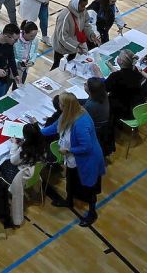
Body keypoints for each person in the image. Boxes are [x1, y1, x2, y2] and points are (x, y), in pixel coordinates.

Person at [39, 93, 105, 227]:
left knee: (89, 187)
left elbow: (86, 146)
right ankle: (68, 200)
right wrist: (36, 132)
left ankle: (92, 213)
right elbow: (54, 128)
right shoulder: (67, 114)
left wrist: (69, 150)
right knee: (71, 179)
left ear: (66, 106)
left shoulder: (81, 122)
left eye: (61, 104)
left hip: (87, 160)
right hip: (72, 159)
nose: (59, 106)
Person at [5, 122, 48, 226]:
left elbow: (13, 161)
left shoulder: (25, 150)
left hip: (21, 175)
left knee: (2, 165)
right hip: (34, 173)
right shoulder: (42, 144)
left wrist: (15, 144)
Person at [50, 0, 99, 69]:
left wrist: (92, 35)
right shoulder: (64, 16)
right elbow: (62, 38)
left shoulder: (83, 12)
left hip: (75, 46)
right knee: (57, 67)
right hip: (62, 48)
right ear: (76, 3)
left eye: (85, 6)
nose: (84, 8)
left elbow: (86, 25)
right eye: (82, 6)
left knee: (69, 66)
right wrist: (76, 46)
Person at [106, 49, 144, 122]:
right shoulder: (135, 70)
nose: (117, 58)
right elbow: (123, 75)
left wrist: (99, 74)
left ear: (121, 61)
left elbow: (103, 88)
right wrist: (111, 67)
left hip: (123, 110)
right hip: (135, 107)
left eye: (119, 57)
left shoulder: (116, 77)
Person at [82, 77, 113, 155]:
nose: (84, 84)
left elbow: (84, 120)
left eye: (86, 84)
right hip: (105, 125)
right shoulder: (104, 94)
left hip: (96, 129)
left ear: (90, 90)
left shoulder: (90, 105)